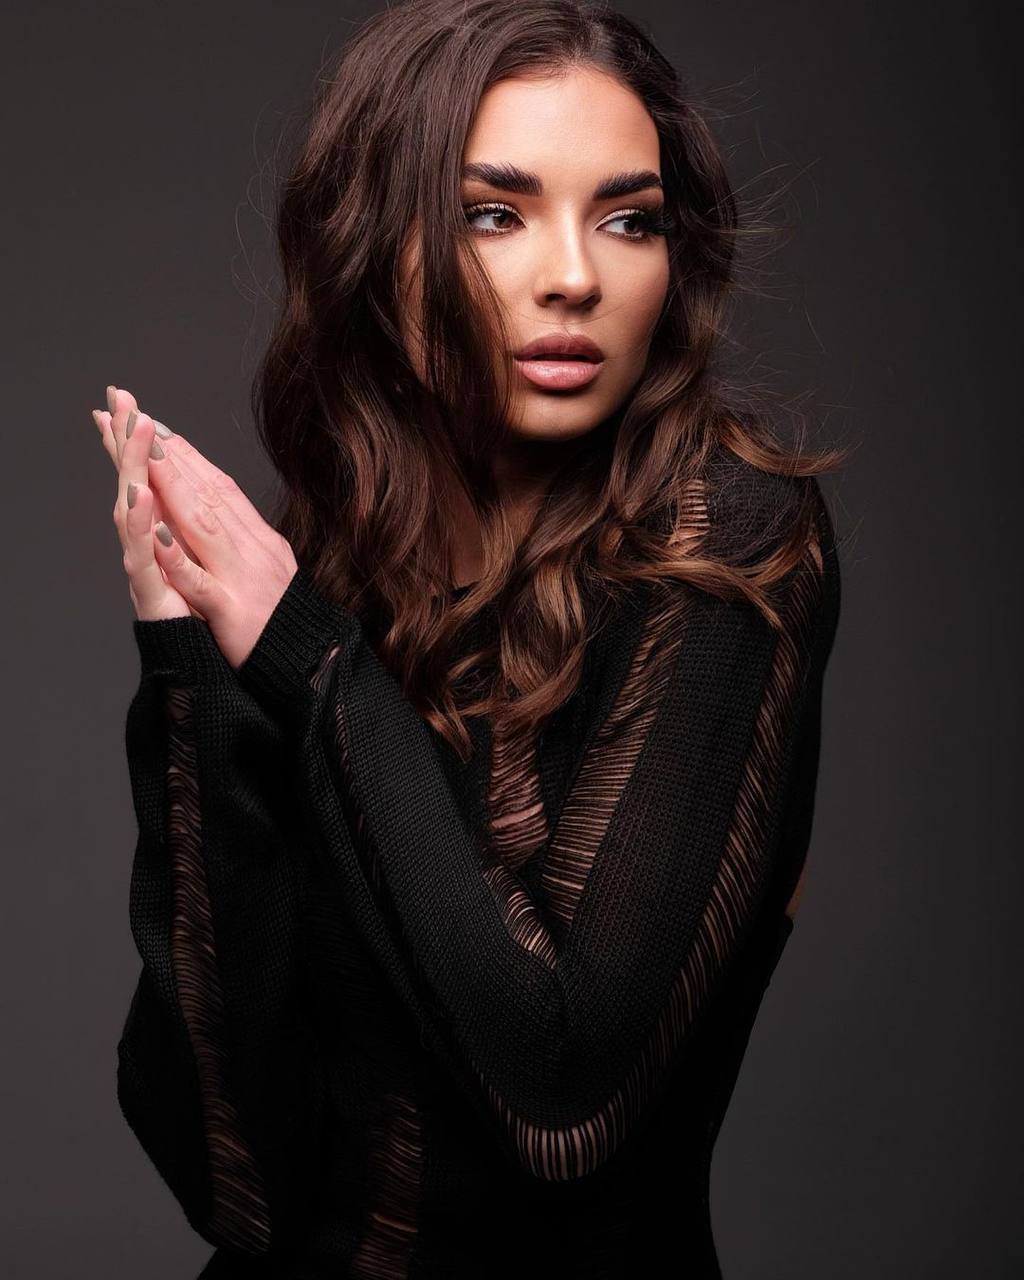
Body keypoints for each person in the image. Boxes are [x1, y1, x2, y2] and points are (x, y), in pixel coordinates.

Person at [94, 1, 848, 1275]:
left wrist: (308, 660)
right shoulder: (329, 567)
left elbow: (561, 1093)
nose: (574, 275)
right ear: (376, 244)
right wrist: (194, 684)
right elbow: (237, 1178)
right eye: (494, 213)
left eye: (628, 218)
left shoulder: (730, 540)